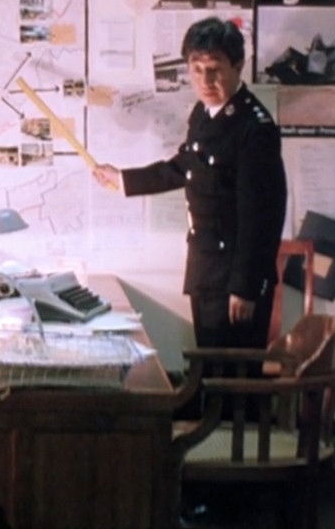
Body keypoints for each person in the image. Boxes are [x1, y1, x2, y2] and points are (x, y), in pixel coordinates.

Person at [93, 17, 286, 350]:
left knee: (233, 376)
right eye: (196, 70)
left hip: (235, 280)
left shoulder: (254, 129)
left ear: (238, 66)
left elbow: (262, 217)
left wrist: (246, 287)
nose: (205, 81)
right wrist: (123, 179)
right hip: (206, 270)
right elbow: (186, 166)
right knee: (209, 368)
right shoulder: (203, 113)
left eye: (214, 69)